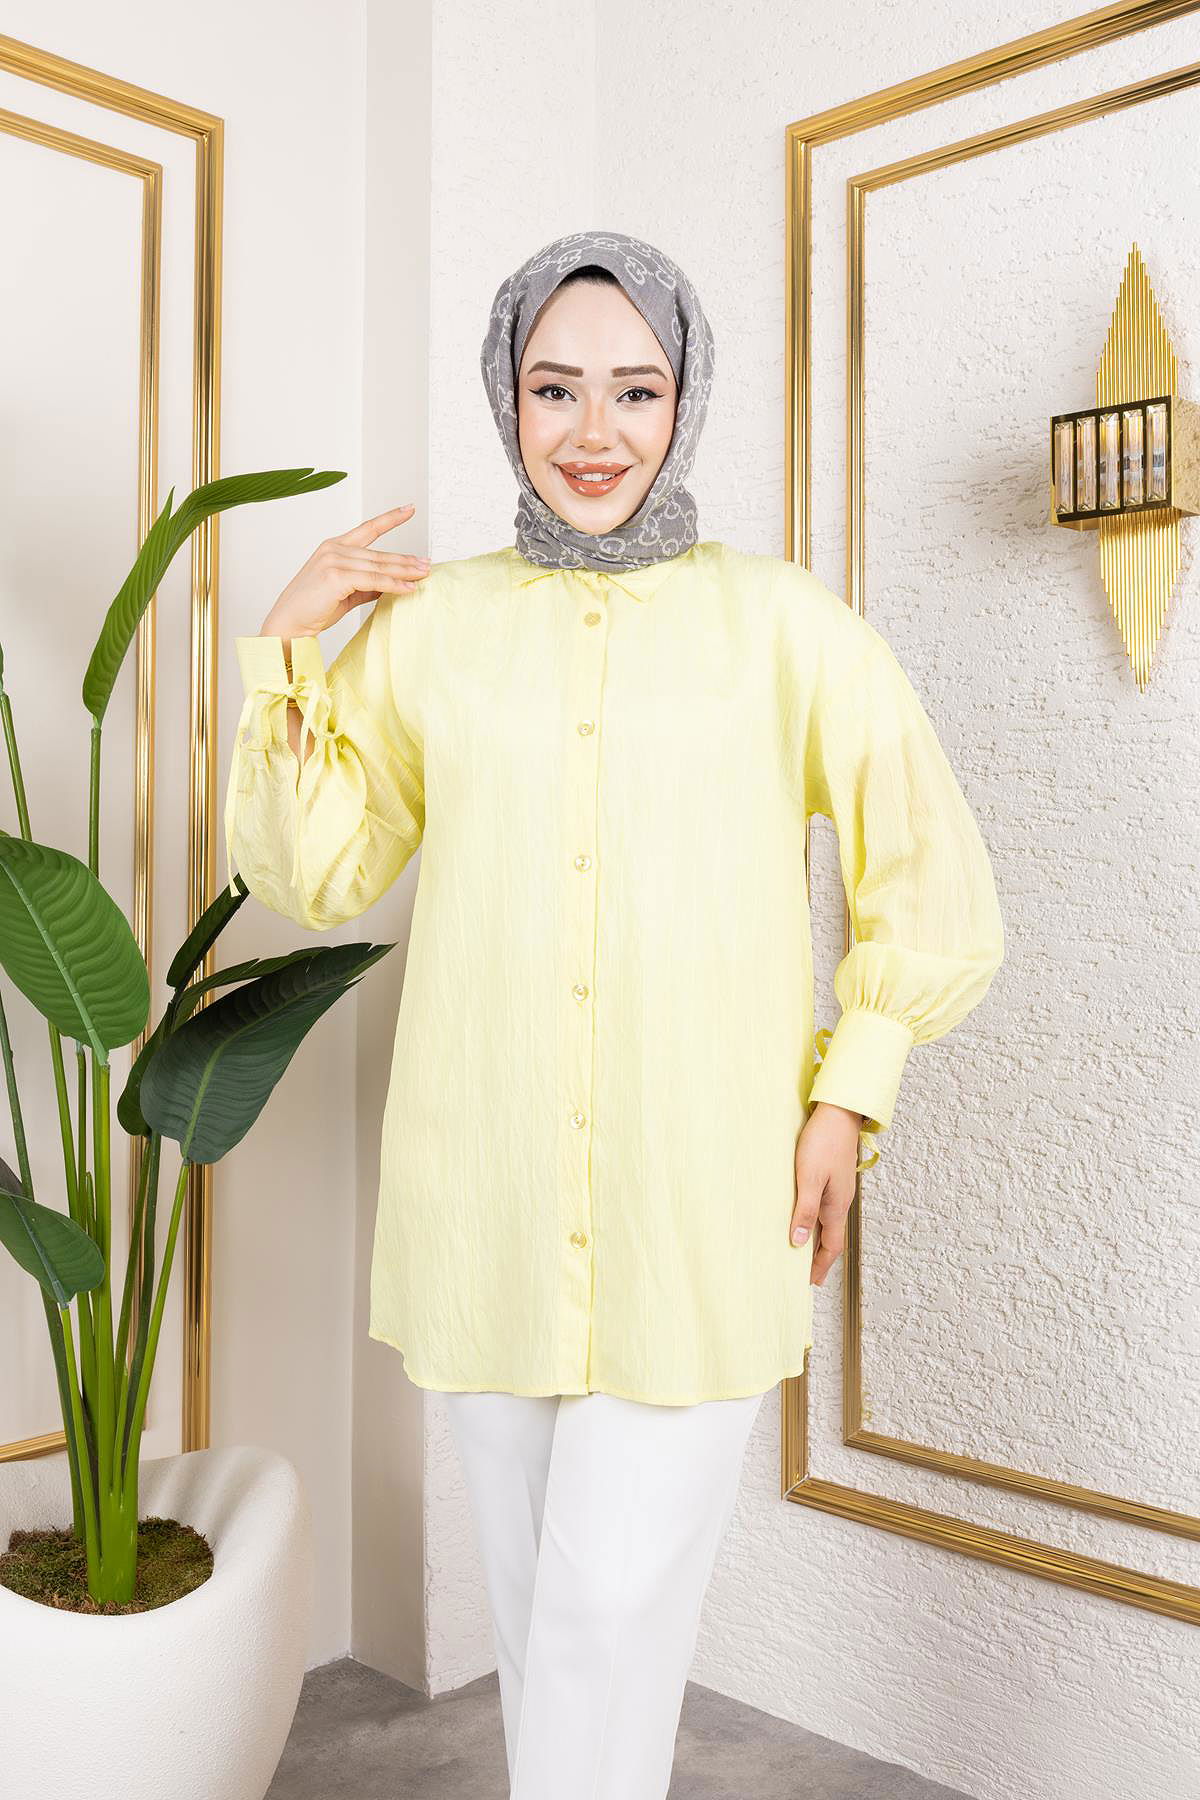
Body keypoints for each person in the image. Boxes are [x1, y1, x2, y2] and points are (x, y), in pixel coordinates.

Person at [223, 227, 1005, 1798]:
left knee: (599, 1611)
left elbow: (932, 883)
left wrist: (850, 1089)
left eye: (636, 390)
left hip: (699, 1201)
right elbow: (315, 870)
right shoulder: (432, 626)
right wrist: (289, 647)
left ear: (686, 397)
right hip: (483, 1197)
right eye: (555, 388)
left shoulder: (786, 624)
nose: (594, 431)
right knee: (546, 1620)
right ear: (505, 397)